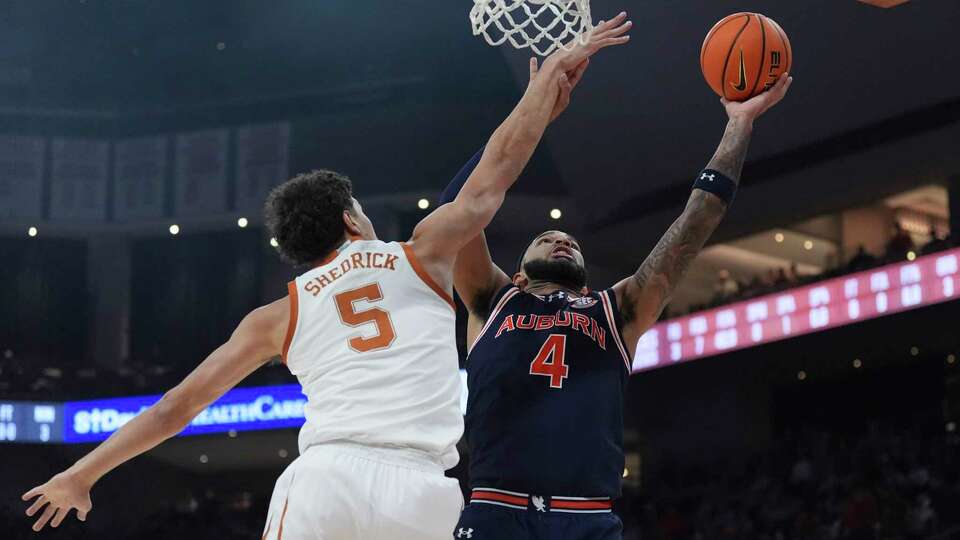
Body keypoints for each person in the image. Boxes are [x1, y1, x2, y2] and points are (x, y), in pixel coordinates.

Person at [20, 20, 631, 538]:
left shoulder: (276, 317)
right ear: (351, 218)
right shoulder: (420, 254)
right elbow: (496, 170)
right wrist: (544, 89)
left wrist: (82, 474)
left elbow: (176, 408)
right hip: (422, 493)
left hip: (326, 479)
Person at [442, 70, 792, 538]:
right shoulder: (492, 299)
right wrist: (533, 114)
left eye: (569, 241)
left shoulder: (616, 311)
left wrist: (740, 123)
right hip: (496, 509)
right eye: (547, 238)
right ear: (521, 273)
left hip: (586, 517)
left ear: (588, 285)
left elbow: (698, 218)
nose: (562, 241)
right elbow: (456, 206)